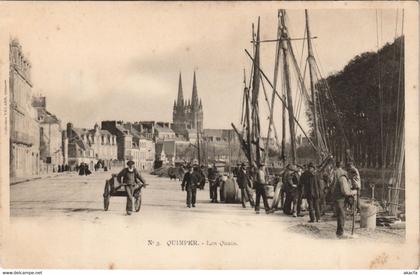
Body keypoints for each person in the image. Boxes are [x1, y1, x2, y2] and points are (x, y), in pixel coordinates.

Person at [333, 161, 357, 238]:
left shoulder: (346, 179)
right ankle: (340, 234)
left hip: (341, 199)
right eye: (352, 177)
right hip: (339, 199)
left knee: (342, 215)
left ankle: (339, 232)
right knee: (341, 215)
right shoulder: (343, 179)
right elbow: (345, 192)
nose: (351, 179)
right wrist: (353, 192)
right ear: (349, 173)